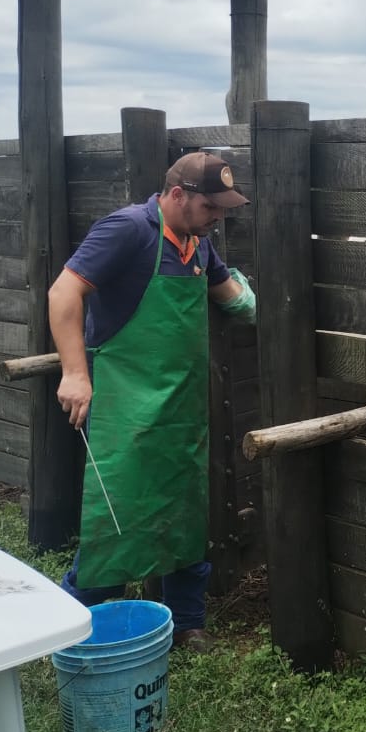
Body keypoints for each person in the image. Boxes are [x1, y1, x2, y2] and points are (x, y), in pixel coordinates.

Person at [48, 151, 257, 652]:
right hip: (125, 405)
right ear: (178, 195)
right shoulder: (128, 231)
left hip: (182, 408)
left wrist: (250, 296)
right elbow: (63, 293)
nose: (218, 218)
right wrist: (75, 373)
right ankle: (70, 623)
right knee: (118, 513)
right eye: (212, 207)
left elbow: (232, 298)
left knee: (185, 512)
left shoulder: (197, 245)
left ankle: (186, 623)